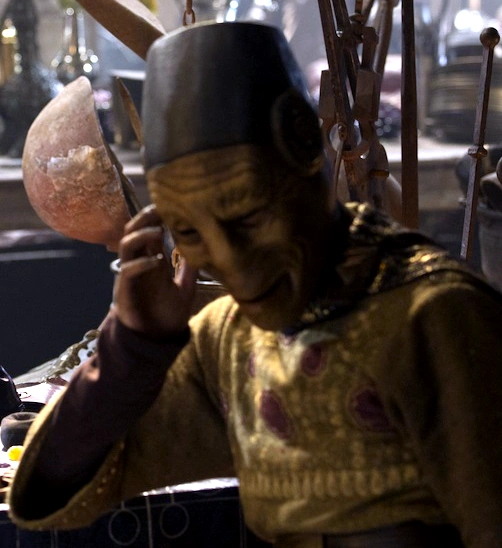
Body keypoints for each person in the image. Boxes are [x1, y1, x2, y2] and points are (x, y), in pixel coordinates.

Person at [6, 20, 502, 548]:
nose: (232, 265)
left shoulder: (435, 319)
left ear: (305, 144)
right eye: (189, 232)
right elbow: (50, 490)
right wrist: (132, 347)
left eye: (247, 215)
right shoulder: (230, 338)